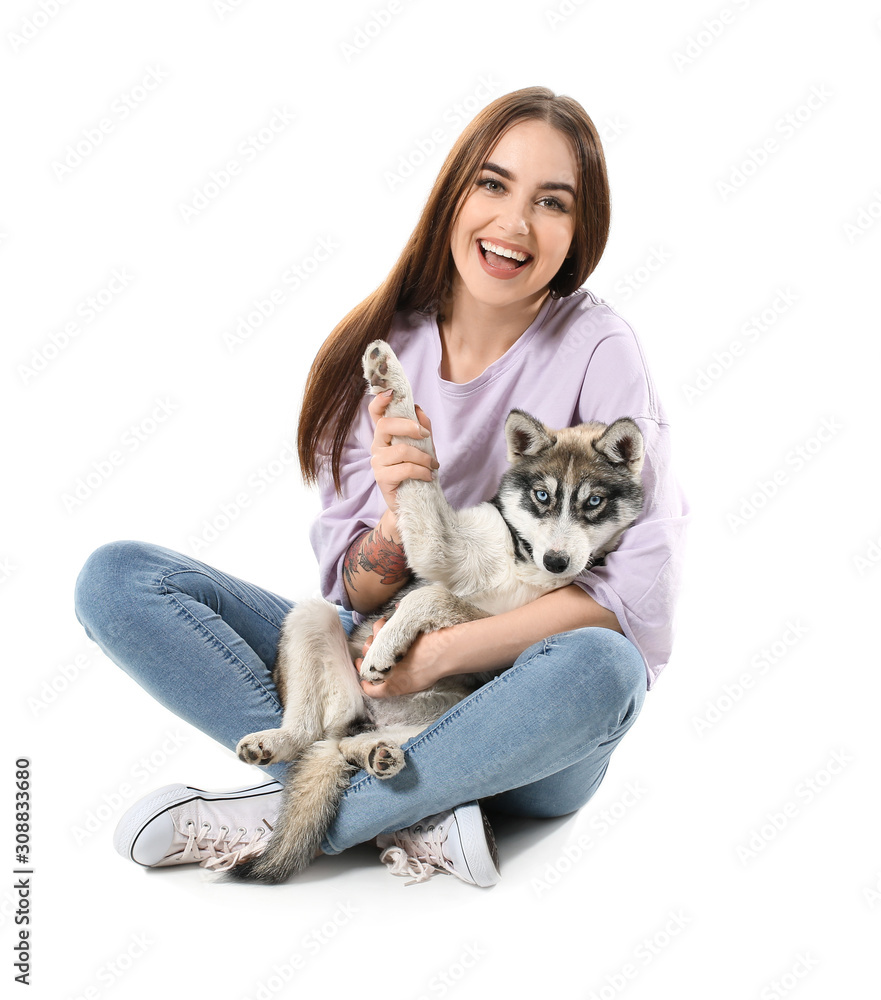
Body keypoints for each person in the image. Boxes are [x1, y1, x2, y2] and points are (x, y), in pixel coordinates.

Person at [74, 86, 687, 887]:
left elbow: (627, 598)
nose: (513, 224)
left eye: (552, 202)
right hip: (379, 684)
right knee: (118, 580)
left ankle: (284, 815)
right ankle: (414, 808)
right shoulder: (380, 351)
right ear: (453, 193)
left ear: (578, 233)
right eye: (493, 185)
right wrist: (399, 523)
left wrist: (439, 658)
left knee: (602, 668)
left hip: (529, 715)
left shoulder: (598, 347)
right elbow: (356, 599)